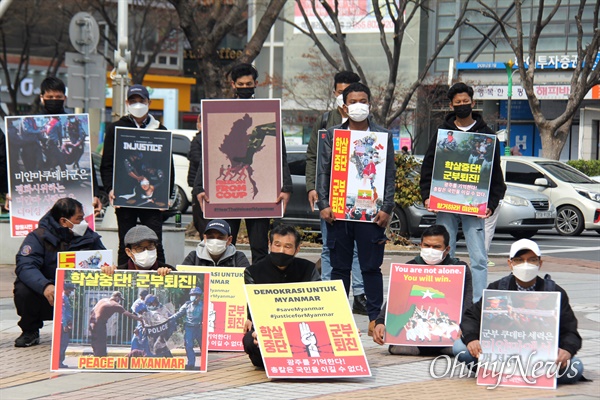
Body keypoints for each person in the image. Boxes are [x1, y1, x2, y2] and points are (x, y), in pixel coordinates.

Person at [316, 82, 396, 336]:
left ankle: (375, 317)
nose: (358, 106)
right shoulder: (331, 135)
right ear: (344, 105)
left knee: (371, 267)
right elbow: (323, 172)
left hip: (371, 214)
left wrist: (387, 208)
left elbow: (390, 175)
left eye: (363, 101)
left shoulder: (382, 136)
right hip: (339, 213)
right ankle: (338, 316)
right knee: (339, 267)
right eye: (353, 101)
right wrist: (323, 204)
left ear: (370, 104)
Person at [193, 63, 293, 264]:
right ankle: (226, 288)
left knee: (259, 246)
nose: (245, 87)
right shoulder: (220, 113)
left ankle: (256, 288)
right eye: (241, 84)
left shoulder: (268, 113)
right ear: (233, 85)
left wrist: (286, 186)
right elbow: (209, 154)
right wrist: (199, 186)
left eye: (249, 84)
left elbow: (279, 153)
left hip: (260, 191)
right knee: (224, 245)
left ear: (256, 84)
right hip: (227, 190)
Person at [453, 238, 584, 384]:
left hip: (541, 356)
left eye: (532, 260)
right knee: (460, 348)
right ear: (510, 263)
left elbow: (570, 330)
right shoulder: (498, 289)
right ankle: (492, 371)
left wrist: (566, 349)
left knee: (576, 368)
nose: (526, 265)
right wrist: (472, 338)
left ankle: (531, 374)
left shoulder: (554, 292)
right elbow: (471, 316)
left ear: (540, 263)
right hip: (502, 353)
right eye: (519, 260)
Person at [420, 82, 506, 303]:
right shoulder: (442, 134)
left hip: (473, 204)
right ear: (451, 105)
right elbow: (429, 167)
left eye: (465, 102)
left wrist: (492, 203)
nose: (462, 106)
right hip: (445, 202)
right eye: (457, 103)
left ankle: (477, 302)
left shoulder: (487, 135)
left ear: (473, 103)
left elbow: (495, 174)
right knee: (444, 252)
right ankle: (447, 298)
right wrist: (427, 194)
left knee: (478, 257)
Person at [305, 71, 367, 315]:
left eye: (351, 94)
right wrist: (313, 188)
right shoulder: (324, 121)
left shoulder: (366, 123)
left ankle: (360, 295)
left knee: (358, 248)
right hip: (331, 194)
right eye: (342, 93)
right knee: (329, 246)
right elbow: (313, 157)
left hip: (360, 195)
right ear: (336, 93)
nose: (346, 98)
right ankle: (329, 293)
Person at [14, 197, 106, 347]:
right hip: (48, 293)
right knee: (23, 288)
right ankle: (30, 331)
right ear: (64, 221)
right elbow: (25, 266)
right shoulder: (38, 237)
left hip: (77, 292)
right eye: (79, 219)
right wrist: (45, 286)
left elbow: (103, 259)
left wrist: (108, 267)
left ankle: (87, 330)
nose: (83, 223)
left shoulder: (89, 237)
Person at [372, 225, 473, 355]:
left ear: (447, 249)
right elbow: (394, 300)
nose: (431, 250)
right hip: (414, 336)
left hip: (447, 335)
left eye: (436, 247)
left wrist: (466, 329)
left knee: (460, 349)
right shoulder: (410, 267)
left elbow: (468, 304)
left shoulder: (460, 269)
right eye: (426, 246)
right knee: (400, 348)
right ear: (420, 245)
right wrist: (380, 322)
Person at [243, 224, 321, 368]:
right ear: (269, 244)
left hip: (302, 328)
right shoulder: (253, 271)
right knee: (249, 341)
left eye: (287, 247)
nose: (281, 251)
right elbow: (255, 308)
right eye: (277, 245)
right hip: (271, 330)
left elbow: (320, 303)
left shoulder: (308, 269)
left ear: (297, 249)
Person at [88, 291, 141, 357]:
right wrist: (140, 319)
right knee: (101, 342)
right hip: (99, 323)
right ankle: (100, 358)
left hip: (92, 321)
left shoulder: (102, 300)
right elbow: (129, 314)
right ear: (116, 297)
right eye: (119, 299)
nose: (119, 301)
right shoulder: (115, 305)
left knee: (95, 341)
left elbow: (92, 310)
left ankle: (96, 355)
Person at [181, 219, 250, 268]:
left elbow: (249, 280)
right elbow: (180, 277)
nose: (215, 241)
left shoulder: (238, 258)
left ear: (229, 240)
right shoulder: (194, 257)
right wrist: (171, 271)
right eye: (211, 237)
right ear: (205, 238)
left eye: (220, 237)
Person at [170, 287, 204, 370]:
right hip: (189, 328)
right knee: (188, 346)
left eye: (194, 295)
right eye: (191, 295)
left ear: (198, 296)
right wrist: (169, 319)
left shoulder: (203, 305)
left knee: (203, 346)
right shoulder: (187, 304)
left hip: (199, 328)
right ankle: (191, 363)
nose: (192, 297)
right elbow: (178, 314)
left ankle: (205, 363)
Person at [187, 113, 209, 236]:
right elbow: (197, 159)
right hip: (198, 184)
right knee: (200, 220)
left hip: (200, 185)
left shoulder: (200, 139)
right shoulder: (198, 140)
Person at [59, 282, 76, 368]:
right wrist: (65, 324)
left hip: (65, 323)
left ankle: (60, 362)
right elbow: (62, 312)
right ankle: (59, 362)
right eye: (71, 290)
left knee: (63, 343)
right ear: (66, 289)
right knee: (63, 343)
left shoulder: (65, 297)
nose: (71, 292)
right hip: (63, 324)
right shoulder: (63, 298)